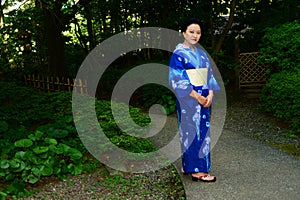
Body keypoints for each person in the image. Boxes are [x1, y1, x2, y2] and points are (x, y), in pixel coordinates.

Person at [169, 18, 220, 182]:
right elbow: (177, 79)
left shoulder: (202, 54)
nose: (195, 35)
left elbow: (209, 75)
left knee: (202, 132)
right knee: (190, 132)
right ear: (183, 32)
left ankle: (188, 165)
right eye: (191, 31)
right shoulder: (178, 54)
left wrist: (210, 94)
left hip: (204, 98)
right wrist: (197, 96)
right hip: (188, 98)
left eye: (198, 32)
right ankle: (197, 170)